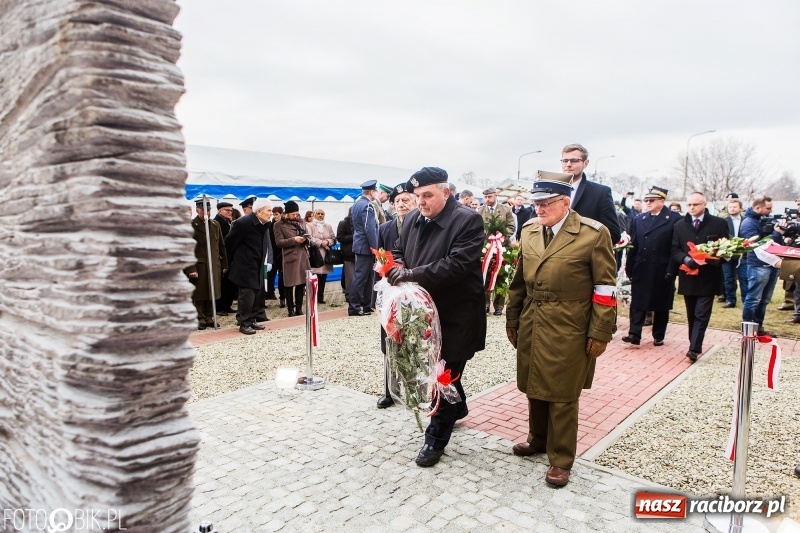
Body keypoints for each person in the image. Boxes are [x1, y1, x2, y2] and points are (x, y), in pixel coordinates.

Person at [506, 171, 616, 487]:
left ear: (565, 202)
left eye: (545, 204)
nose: (538, 209)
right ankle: (537, 438)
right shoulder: (529, 230)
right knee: (534, 383)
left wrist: (600, 331)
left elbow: (605, 288)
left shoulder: (592, 234)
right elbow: (517, 281)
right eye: (535, 204)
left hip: (570, 323)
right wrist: (512, 318)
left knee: (563, 393)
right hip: (533, 319)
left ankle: (561, 458)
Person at [385, 167, 486, 467]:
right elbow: (398, 249)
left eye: (427, 195)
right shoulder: (414, 218)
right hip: (422, 314)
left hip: (456, 314)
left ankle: (435, 439)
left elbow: (456, 264)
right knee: (436, 368)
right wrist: (397, 267)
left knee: (443, 373)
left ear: (446, 192)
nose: (421, 202)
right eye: (416, 196)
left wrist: (409, 275)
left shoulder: (468, 220)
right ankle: (459, 407)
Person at [671, 192, 729, 362]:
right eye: (689, 205)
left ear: (704, 204)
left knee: (701, 313)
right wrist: (686, 259)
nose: (692, 208)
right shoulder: (680, 225)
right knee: (691, 314)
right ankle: (694, 343)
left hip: (709, 276)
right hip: (688, 276)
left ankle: (694, 348)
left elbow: (726, 249)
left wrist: (713, 259)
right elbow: (675, 250)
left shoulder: (719, 223)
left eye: (695, 205)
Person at [622, 186, 680, 346]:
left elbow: (675, 247)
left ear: (662, 201)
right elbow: (634, 244)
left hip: (662, 268)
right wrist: (630, 266)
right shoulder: (639, 219)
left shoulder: (674, 219)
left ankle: (658, 335)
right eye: (646, 200)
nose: (648, 203)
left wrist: (672, 270)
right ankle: (634, 333)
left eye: (651, 200)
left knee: (661, 303)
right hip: (642, 266)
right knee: (638, 302)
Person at [376, 183, 415, 409]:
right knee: (388, 340)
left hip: (414, 291)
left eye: (405, 200)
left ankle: (413, 388)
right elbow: (380, 261)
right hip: (391, 293)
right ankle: (390, 390)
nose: (401, 204)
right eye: (397, 201)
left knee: (413, 338)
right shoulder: (385, 229)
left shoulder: (421, 226)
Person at [225, 198, 274, 335]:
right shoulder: (243, 223)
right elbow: (229, 243)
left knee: (256, 293)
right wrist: (238, 258)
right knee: (246, 295)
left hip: (258, 264)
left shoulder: (264, 223)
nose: (271, 213)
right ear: (259, 211)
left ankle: (252, 320)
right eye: (268, 210)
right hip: (245, 265)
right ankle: (244, 323)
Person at [559, 144, 621, 244]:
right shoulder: (548, 189)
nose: (568, 164)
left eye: (574, 160)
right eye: (565, 161)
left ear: (585, 163)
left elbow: (613, 234)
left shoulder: (600, 193)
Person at [740, 195, 782, 336]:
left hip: (772, 264)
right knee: (753, 299)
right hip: (758, 265)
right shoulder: (748, 223)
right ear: (758, 208)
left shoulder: (763, 219)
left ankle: (758, 327)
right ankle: (748, 329)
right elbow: (758, 246)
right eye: (768, 208)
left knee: (764, 300)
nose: (770, 211)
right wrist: (776, 233)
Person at [185, 198, 228, 329]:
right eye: (204, 210)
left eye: (209, 210)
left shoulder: (215, 225)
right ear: (198, 210)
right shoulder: (192, 226)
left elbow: (221, 246)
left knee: (212, 291)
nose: (207, 212)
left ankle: (209, 316)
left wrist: (225, 264)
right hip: (199, 265)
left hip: (214, 264)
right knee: (200, 293)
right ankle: (200, 317)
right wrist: (191, 268)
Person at [478, 187, 516, 315]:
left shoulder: (506, 209)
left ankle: (499, 306)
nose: (487, 200)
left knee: (501, 275)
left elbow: (511, 226)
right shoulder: (480, 210)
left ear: (495, 196)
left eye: (490, 197)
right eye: (485, 197)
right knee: (485, 275)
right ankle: (485, 304)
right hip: (486, 247)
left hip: (502, 246)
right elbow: (476, 228)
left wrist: (502, 236)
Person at [273, 201, 312, 317]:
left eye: (297, 213)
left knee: (301, 283)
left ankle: (299, 308)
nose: (296, 216)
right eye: (293, 214)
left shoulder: (302, 223)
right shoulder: (278, 225)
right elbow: (279, 243)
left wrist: (306, 239)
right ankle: (290, 309)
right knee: (289, 284)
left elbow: (308, 236)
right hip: (291, 256)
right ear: (287, 213)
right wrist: (294, 240)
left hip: (303, 255)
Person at [349, 180, 379, 316]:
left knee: (366, 277)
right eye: (376, 191)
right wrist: (376, 247)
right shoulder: (368, 206)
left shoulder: (356, 204)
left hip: (360, 245)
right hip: (366, 247)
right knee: (361, 278)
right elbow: (370, 229)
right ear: (372, 192)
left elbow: (353, 225)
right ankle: (354, 307)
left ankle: (367, 305)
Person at [721, 198, 748, 308]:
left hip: (742, 253)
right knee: (728, 278)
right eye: (730, 207)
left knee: (744, 278)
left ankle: (746, 300)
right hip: (728, 254)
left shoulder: (745, 220)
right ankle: (730, 299)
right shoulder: (723, 221)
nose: (732, 209)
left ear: (740, 209)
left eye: (735, 207)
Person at [307, 208, 336, 304]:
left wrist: (327, 242)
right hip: (315, 254)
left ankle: (320, 297)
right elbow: (309, 238)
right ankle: (313, 297)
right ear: (314, 215)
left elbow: (333, 238)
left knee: (323, 277)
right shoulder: (310, 225)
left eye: (322, 214)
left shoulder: (328, 226)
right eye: (318, 213)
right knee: (315, 276)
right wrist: (321, 243)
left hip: (326, 254)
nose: (320, 215)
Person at [214, 199, 237, 314]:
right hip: (223, 258)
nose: (229, 212)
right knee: (223, 284)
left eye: (231, 210)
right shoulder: (217, 223)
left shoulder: (228, 222)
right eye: (227, 210)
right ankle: (220, 307)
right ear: (220, 210)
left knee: (229, 284)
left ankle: (227, 305)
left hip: (230, 257)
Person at [266, 206, 285, 306]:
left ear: (282, 214)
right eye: (273, 214)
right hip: (272, 254)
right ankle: (270, 292)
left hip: (282, 254)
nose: (275, 216)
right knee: (270, 275)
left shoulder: (284, 225)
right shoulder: (270, 225)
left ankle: (283, 298)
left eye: (277, 214)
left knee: (282, 277)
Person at [337, 207, 355, 301]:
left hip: (359, 253)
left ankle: (358, 296)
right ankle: (349, 296)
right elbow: (340, 237)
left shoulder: (359, 223)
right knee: (349, 277)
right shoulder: (343, 223)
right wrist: (354, 236)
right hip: (348, 254)